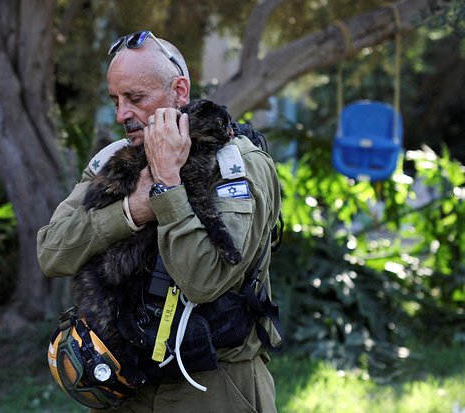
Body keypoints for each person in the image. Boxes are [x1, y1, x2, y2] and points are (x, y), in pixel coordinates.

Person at [37, 30, 282, 413]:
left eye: (135, 98)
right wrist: (132, 211)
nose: (122, 115)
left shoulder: (238, 165)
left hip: (213, 386)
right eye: (115, 100)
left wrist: (167, 185)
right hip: (124, 383)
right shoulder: (115, 159)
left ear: (179, 91)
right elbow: (52, 253)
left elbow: (204, 281)